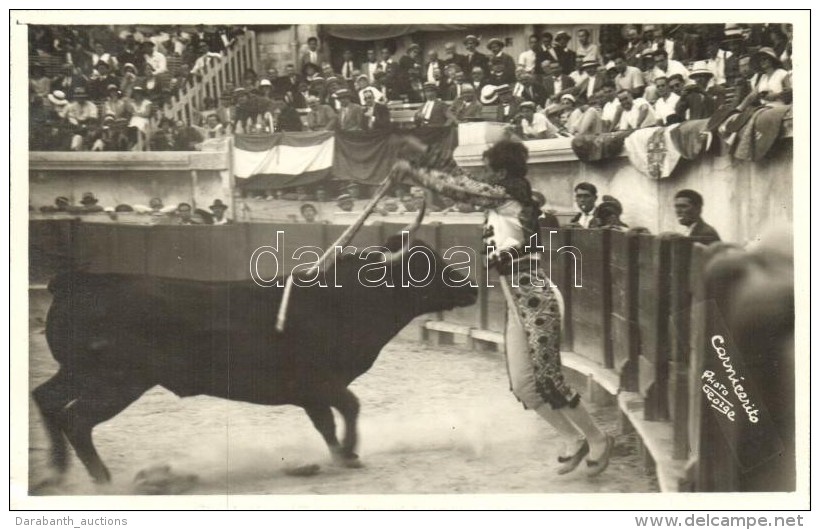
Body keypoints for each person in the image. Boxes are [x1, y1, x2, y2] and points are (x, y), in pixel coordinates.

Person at [393, 140, 614, 477]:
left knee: (549, 380)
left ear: (501, 171)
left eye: (490, 170)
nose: (485, 176)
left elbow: (464, 188)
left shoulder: (513, 196)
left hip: (537, 298)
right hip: (517, 301)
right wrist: (425, 158)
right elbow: (462, 181)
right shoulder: (501, 199)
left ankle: (598, 440)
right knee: (525, 386)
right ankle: (574, 438)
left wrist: (415, 173)